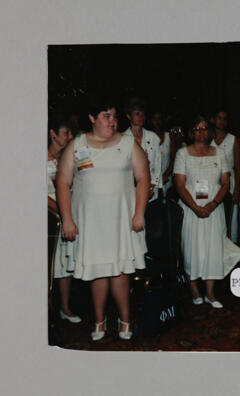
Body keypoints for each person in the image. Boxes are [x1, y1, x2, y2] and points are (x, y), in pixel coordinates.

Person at [56, 97, 150, 341]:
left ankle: (125, 319)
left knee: (120, 271)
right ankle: (99, 320)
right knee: (97, 270)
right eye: (106, 116)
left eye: (115, 116)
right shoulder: (77, 144)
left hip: (121, 220)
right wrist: (67, 219)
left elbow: (143, 178)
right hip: (90, 222)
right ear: (92, 118)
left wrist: (139, 212)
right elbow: (63, 182)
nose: (113, 121)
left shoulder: (128, 143)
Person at [174, 116, 240, 309]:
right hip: (191, 210)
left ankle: (211, 294)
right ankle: (195, 292)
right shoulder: (182, 154)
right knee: (191, 250)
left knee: (213, 250)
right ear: (191, 132)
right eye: (197, 129)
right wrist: (196, 208)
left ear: (210, 131)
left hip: (214, 210)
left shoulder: (219, 153)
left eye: (205, 128)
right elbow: (180, 185)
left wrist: (213, 204)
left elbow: (225, 183)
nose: (201, 132)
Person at [48, 116, 80, 323]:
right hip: (49, 218)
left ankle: (65, 308)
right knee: (49, 265)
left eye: (71, 133)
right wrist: (60, 211)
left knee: (65, 263)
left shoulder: (71, 156)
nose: (70, 137)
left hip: (68, 215)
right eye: (65, 133)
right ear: (53, 134)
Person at [211, 110, 240, 241]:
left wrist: (236, 191)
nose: (222, 121)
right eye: (219, 118)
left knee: (229, 219)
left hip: (228, 184)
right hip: (211, 184)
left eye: (225, 119)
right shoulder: (208, 139)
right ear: (213, 120)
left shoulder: (233, 140)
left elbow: (238, 167)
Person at [122, 98, 162, 200]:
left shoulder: (153, 137)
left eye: (143, 114)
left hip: (151, 191)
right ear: (128, 116)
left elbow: (157, 164)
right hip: (130, 192)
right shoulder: (122, 140)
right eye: (137, 114)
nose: (141, 117)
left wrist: (153, 184)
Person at [149, 110, 176, 193]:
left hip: (166, 180)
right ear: (150, 121)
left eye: (159, 119)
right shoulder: (147, 137)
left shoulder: (169, 136)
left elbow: (173, 159)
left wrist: (165, 175)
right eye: (154, 119)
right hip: (150, 181)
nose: (157, 122)